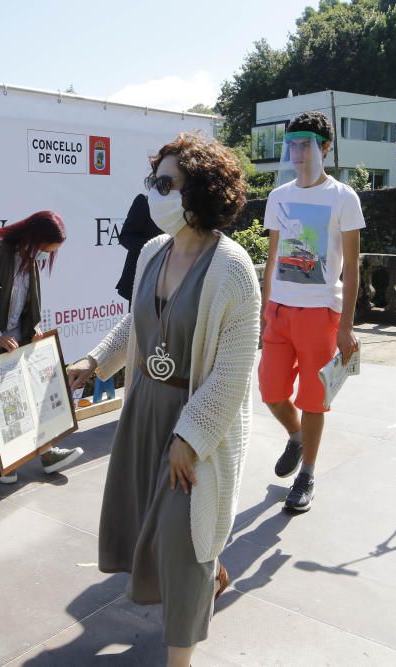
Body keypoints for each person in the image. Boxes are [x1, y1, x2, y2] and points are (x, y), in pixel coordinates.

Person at [67, 132, 259, 667]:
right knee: (163, 531)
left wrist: (190, 437)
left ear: (200, 189)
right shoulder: (154, 250)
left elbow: (233, 371)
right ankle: (214, 573)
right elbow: (137, 323)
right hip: (144, 413)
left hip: (195, 426)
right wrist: (95, 363)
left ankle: (181, 660)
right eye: (153, 181)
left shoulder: (234, 268)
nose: (155, 192)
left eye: (166, 183)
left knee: (183, 538)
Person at [259, 111, 363, 514]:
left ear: (324, 147)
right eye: (293, 144)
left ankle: (307, 472)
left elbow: (352, 267)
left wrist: (347, 327)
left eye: (306, 144)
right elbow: (271, 258)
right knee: (271, 392)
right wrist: (268, 309)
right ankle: (297, 436)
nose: (298, 152)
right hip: (280, 312)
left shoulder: (343, 197)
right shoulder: (279, 196)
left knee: (315, 399)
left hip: (321, 312)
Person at [0, 211, 83, 483]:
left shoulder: (31, 256)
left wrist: (33, 329)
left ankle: (47, 453)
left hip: (16, 336)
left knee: (32, 394)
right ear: (33, 237)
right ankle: (6, 460)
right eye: (46, 249)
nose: (46, 256)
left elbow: (28, 299)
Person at [115, 193, 161, 302]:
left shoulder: (187, 203)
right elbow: (125, 237)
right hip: (142, 284)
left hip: (172, 283)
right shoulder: (144, 201)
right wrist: (157, 247)